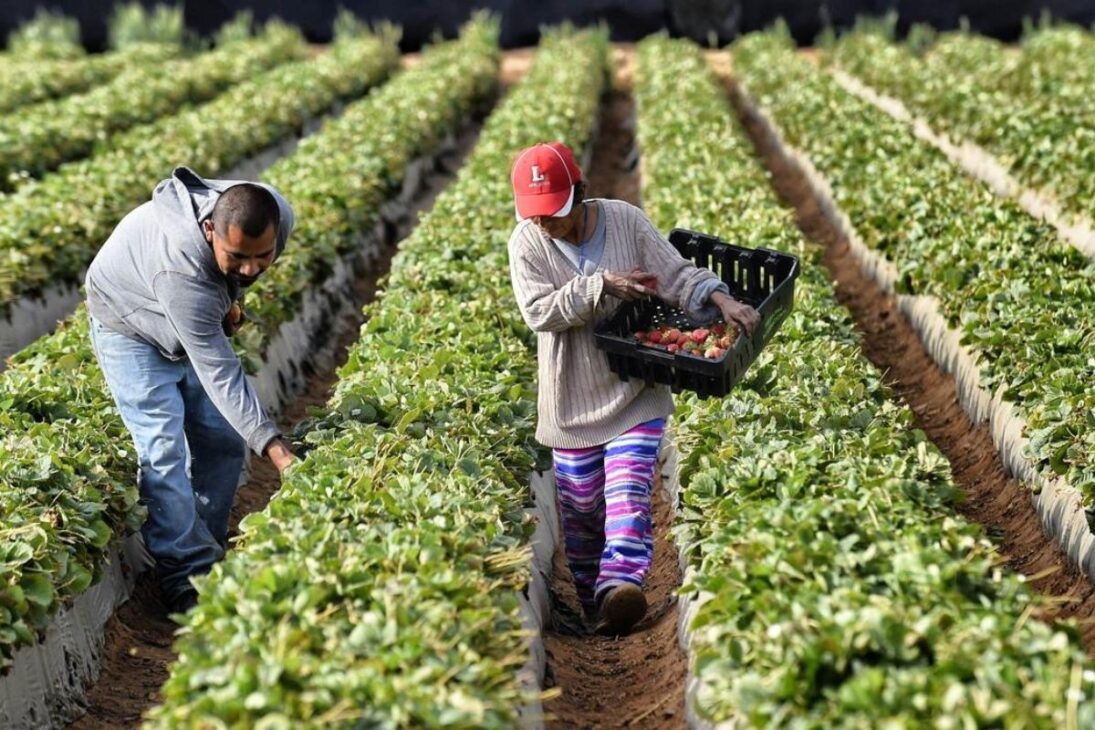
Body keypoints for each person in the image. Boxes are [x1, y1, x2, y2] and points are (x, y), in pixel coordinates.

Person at [507, 142, 759, 635]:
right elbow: (538, 312)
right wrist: (600, 285)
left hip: (633, 392)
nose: (543, 222)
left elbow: (676, 273)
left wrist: (721, 299)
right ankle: (594, 603)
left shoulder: (625, 221)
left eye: (553, 211)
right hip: (571, 401)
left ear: (580, 192)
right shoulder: (526, 244)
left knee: (627, 491)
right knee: (581, 513)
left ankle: (620, 584)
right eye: (535, 213)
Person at [85, 166, 297, 615]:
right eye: (237, 256)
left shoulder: (277, 215)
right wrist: (277, 451)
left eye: (262, 256)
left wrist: (233, 294)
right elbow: (221, 372)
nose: (252, 267)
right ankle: (185, 576)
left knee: (223, 437)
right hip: (128, 322)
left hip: (185, 306)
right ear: (208, 231)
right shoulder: (180, 272)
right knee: (164, 450)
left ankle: (208, 550)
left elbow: (237, 274)